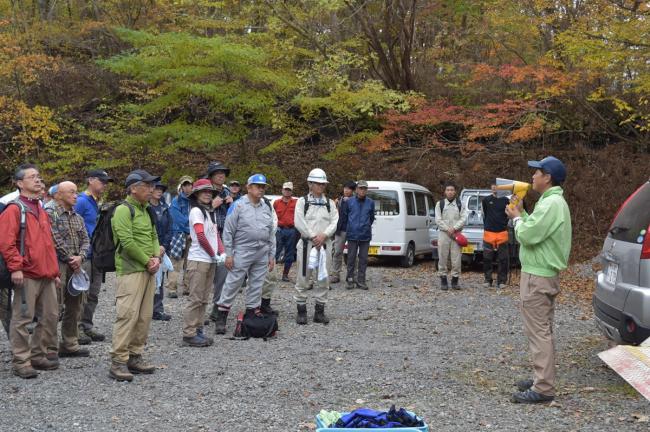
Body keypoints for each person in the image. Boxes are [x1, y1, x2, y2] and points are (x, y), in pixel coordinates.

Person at [506, 156, 571, 404]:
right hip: (543, 274)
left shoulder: (551, 203)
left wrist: (516, 218)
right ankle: (540, 377)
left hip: (538, 275)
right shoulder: (551, 202)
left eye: (537, 172)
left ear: (548, 177)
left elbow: (530, 234)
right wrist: (522, 213)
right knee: (543, 329)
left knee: (539, 332)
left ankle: (543, 387)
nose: (532, 176)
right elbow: (536, 226)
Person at [0, 164, 61, 378]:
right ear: (19, 183)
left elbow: (48, 244)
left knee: (51, 316)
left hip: (46, 274)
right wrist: (16, 268)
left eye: (39, 176)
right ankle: (21, 361)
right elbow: (6, 243)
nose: (38, 180)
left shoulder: (41, 208)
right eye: (32, 177)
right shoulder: (14, 209)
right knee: (23, 318)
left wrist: (55, 273)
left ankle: (37, 355)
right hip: (27, 274)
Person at [108, 169, 162, 382]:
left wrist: (156, 256)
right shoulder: (123, 210)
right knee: (127, 315)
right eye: (147, 185)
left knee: (144, 316)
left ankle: (135, 355)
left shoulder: (147, 210)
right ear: (133, 188)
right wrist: (148, 261)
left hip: (148, 269)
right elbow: (126, 241)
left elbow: (154, 235)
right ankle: (118, 361)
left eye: (152, 185)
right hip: (131, 270)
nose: (151, 189)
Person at [213, 174, 275, 334]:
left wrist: (271, 255)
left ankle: (251, 314)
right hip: (242, 250)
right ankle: (222, 315)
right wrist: (228, 253)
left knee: (257, 284)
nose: (260, 189)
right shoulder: (238, 205)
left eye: (263, 187)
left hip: (262, 251)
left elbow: (271, 233)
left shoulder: (266, 206)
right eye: (257, 186)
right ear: (248, 187)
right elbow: (227, 231)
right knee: (233, 283)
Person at [46, 181, 91, 358]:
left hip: (76, 264)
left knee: (75, 304)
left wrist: (80, 257)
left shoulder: (77, 217)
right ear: (58, 195)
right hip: (58, 264)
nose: (76, 195)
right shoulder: (51, 214)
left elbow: (86, 240)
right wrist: (70, 257)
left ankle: (70, 343)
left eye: (76, 192)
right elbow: (53, 238)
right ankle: (49, 347)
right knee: (54, 306)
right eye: (71, 192)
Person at [293, 168, 338, 325]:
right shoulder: (302, 202)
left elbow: (335, 221)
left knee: (323, 278)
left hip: (324, 246)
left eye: (323, 184)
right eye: (318, 183)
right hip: (306, 245)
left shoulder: (330, 204)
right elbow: (299, 222)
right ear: (310, 184)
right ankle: (301, 311)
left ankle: (319, 311)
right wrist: (313, 236)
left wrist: (324, 235)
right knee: (303, 277)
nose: (321, 187)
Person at [182, 179, 223, 347]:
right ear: (197, 194)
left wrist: (222, 251)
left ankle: (198, 329)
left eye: (209, 191)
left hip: (209, 260)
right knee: (195, 299)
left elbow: (215, 235)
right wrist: (214, 254)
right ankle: (189, 333)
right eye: (204, 191)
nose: (207, 193)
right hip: (199, 260)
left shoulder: (209, 211)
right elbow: (200, 236)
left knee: (205, 299)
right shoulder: (196, 212)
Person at [75, 169, 114, 343]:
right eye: (102, 181)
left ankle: (86, 325)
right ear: (90, 180)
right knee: (80, 294)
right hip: (85, 255)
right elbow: (74, 226)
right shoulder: (81, 201)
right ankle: (75, 329)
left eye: (106, 182)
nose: (105, 184)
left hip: (97, 255)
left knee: (94, 293)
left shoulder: (96, 202)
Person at [206, 161, 233, 322]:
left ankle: (217, 306)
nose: (221, 175)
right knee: (206, 274)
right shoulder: (205, 191)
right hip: (208, 237)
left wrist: (232, 204)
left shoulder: (228, 191)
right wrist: (211, 205)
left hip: (225, 237)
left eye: (223, 173)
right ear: (211, 176)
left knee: (223, 273)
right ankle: (200, 307)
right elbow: (196, 211)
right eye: (217, 173)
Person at [341, 180, 375, 290]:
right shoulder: (349, 202)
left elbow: (371, 218)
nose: (363, 190)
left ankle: (361, 281)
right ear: (356, 189)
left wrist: (365, 226)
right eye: (361, 188)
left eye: (365, 188)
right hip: (352, 235)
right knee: (350, 259)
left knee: (364, 259)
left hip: (365, 235)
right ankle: (350, 280)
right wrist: (350, 228)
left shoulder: (370, 202)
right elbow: (345, 217)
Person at [434, 182, 468, 290]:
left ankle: (455, 281)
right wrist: (447, 228)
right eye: (448, 190)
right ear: (445, 192)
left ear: (455, 191)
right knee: (442, 257)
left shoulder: (460, 204)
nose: (450, 192)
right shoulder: (440, 204)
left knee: (456, 259)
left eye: (452, 190)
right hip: (443, 234)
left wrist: (454, 228)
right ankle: (443, 280)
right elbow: (438, 219)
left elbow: (463, 218)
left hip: (456, 234)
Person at [167, 176, 193, 298]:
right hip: (179, 235)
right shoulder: (176, 201)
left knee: (190, 262)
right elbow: (177, 219)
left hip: (192, 236)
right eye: (185, 185)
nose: (188, 187)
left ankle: (187, 287)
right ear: (182, 187)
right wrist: (190, 229)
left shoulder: (195, 201)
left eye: (190, 185)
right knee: (176, 261)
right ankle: (172, 288)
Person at [149, 182, 172, 321]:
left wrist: (163, 246)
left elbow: (170, 229)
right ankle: (145, 309)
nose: (159, 191)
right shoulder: (146, 207)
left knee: (160, 278)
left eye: (161, 189)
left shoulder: (165, 208)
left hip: (162, 248)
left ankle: (157, 309)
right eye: (157, 188)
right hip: (149, 248)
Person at [482, 183, 511, 290]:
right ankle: (487, 279)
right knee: (487, 258)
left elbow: (509, 214)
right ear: (491, 187)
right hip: (489, 232)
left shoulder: (505, 200)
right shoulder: (486, 200)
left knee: (503, 258)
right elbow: (485, 213)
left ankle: (502, 281)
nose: (495, 188)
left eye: (497, 186)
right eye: (493, 186)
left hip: (502, 232)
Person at [331, 181, 356, 284]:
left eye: (349, 188)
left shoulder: (356, 200)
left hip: (352, 230)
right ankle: (335, 274)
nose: (346, 190)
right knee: (337, 252)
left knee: (352, 254)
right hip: (340, 229)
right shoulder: (339, 200)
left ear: (353, 190)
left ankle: (353, 274)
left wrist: (350, 201)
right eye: (345, 188)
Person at [273, 182, 298, 282]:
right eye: (285, 189)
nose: (287, 191)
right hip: (279, 229)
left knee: (290, 253)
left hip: (292, 230)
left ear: (291, 191)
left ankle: (285, 274)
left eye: (289, 190)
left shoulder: (296, 203)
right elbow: (272, 216)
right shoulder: (276, 202)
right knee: (275, 252)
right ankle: (271, 273)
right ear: (282, 190)